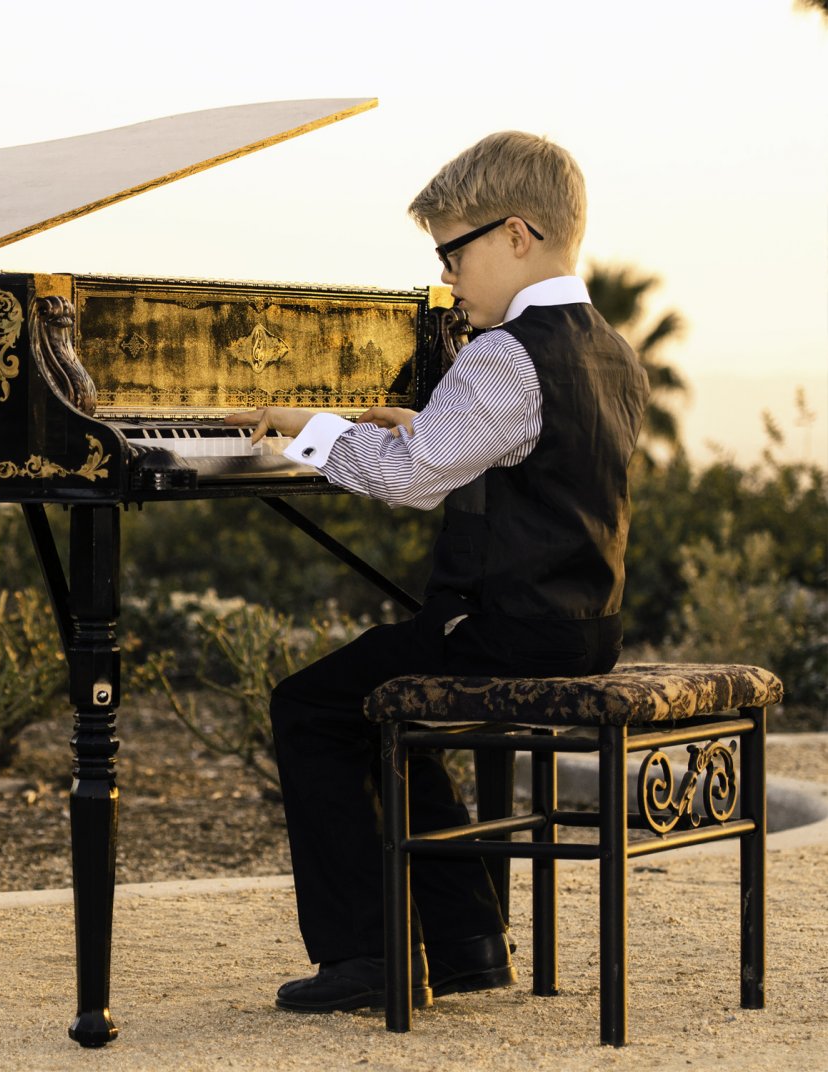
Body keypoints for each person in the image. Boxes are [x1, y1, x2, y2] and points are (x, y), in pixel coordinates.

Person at [224, 131, 649, 1013]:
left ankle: (367, 959)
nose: (449, 276)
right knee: (384, 696)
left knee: (311, 705)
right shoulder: (608, 347)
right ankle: (466, 944)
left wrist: (310, 426)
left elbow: (409, 481)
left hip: (503, 635)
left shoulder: (505, 351)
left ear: (517, 235)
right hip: (582, 630)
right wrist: (419, 421)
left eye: (454, 251)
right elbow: (519, 454)